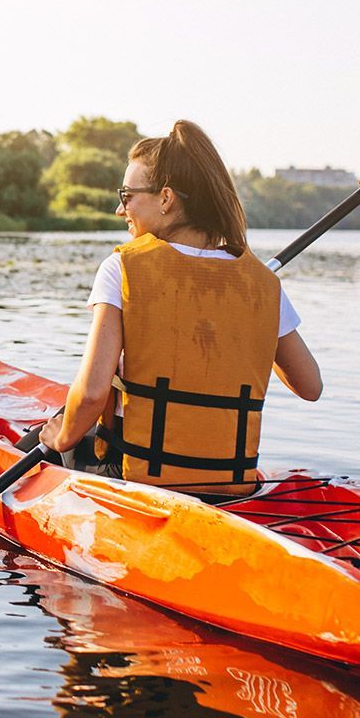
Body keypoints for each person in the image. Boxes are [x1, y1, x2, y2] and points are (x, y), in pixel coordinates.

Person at [36, 120, 322, 498]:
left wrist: (62, 438)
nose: (121, 210)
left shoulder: (122, 268)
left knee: (53, 430)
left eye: (127, 196)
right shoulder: (261, 282)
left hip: (136, 478)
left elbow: (90, 395)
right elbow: (310, 386)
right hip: (230, 485)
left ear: (166, 199)